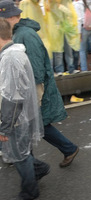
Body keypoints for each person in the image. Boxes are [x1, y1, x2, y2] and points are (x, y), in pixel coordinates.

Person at [0, 0, 79, 168]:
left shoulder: (25, 35)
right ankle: (65, 150)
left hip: (33, 89)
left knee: (28, 125)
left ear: (13, 16)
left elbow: (36, 70)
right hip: (28, 89)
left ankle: (31, 167)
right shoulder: (18, 33)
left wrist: (33, 98)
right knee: (37, 124)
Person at [0, 17, 49, 200]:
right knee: (20, 152)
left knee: (18, 156)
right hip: (20, 115)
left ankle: (30, 192)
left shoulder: (11, 58)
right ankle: (38, 168)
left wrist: (5, 127)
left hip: (16, 118)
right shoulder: (12, 53)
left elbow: (12, 97)